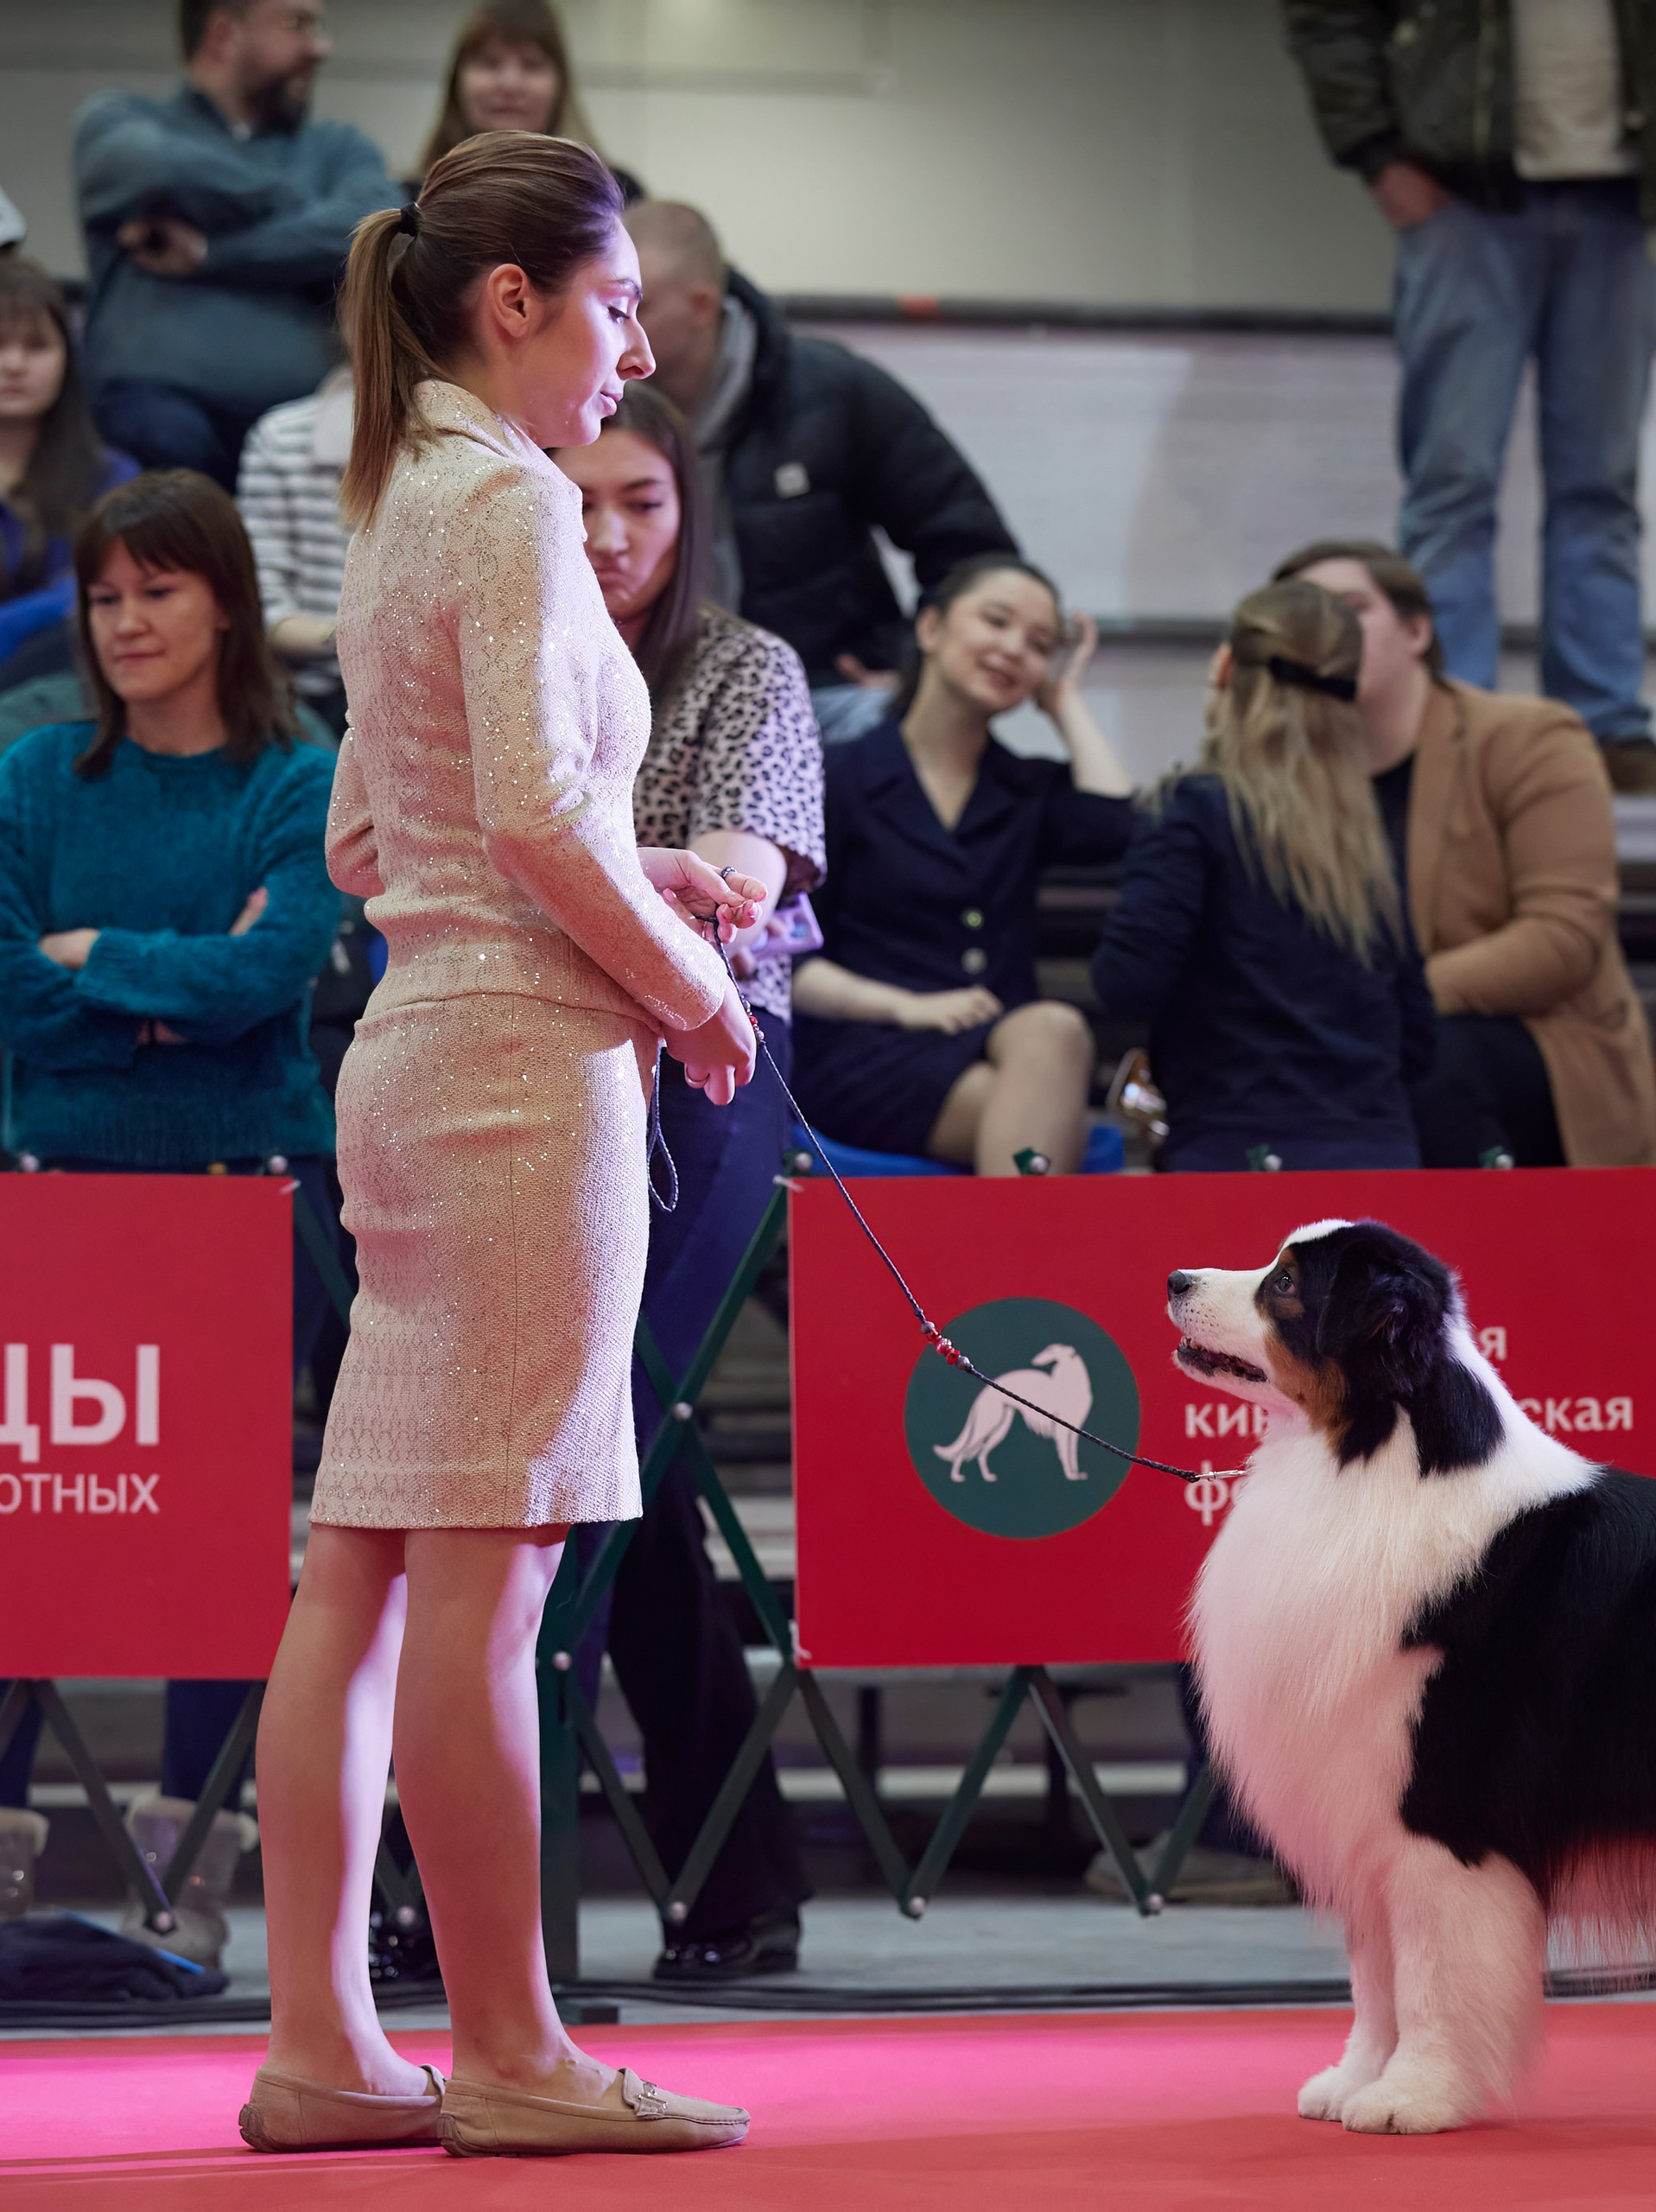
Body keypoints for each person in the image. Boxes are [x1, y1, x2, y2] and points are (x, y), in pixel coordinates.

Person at [244, 131, 764, 2158]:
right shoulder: (517, 499)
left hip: (414, 1047)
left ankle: (323, 2043)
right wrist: (691, 982)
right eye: (617, 303)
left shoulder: (405, 496)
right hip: (517, 1075)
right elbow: (535, 818)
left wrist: (627, 877)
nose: (639, 346)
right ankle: (517, 2051)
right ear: (513, 300)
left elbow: (369, 837)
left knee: (361, 1570)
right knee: (483, 1577)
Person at [0, 468, 344, 1963]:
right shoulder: (32, 775)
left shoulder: (298, 780)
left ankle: (188, 1860)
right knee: (31, 1514)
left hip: (246, 1194)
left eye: (158, 591)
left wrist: (94, 962)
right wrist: (164, 988)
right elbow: (13, 988)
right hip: (60, 1192)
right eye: (105, 597)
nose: (125, 621)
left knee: (223, 1532)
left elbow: (270, 983)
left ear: (227, 603)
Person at [551, 382, 822, 1982]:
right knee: (586, 1455)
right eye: (578, 500)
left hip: (711, 1070)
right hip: (532, 1063)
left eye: (641, 501)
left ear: (688, 509)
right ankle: (733, 1877)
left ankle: (506, 1892)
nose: (607, 534)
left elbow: (743, 878)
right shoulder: (510, 650)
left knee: (613, 1428)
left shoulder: (743, 665)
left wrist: (603, 891)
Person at [1282, 1, 1656, 799]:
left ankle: (1606, 731)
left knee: (1602, 488)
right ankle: (1449, 733)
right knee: (1454, 485)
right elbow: (1326, 14)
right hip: (1462, 197)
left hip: (1621, 194)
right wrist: (1376, 155)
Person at [1279, 537, 1656, 1168]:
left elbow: (1563, 938)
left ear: (1416, 630)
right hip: (1358, 1047)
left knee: (1430, 1056)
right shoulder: (1282, 782)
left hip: (1534, 1044)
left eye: (1351, 609)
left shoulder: (1531, 738)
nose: (1329, 634)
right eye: (1305, 619)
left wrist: (1383, 1003)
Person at [626, 200, 1020, 744]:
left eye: (637, 306)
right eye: (607, 302)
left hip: (824, 698)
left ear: (701, 305)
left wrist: (920, 670)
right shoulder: (585, 404)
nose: (616, 325)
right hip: (644, 702)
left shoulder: (831, 392)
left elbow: (970, 545)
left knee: (880, 731)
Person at [792, 556, 1133, 1173]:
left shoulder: (1024, 786)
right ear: (931, 627)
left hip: (1001, 1040)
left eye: (1040, 645)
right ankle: (1027, 1239)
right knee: (1040, 1127)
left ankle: (1012, 1240)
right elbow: (787, 955)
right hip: (869, 1045)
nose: (1014, 649)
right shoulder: (837, 775)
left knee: (1055, 1030)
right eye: (996, 621)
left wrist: (1065, 703)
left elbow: (1114, 826)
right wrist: (903, 1006)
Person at [1093, 579, 1433, 1172]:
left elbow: (1126, 983)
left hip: (1238, 1156)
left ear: (1225, 668)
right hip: (1380, 1158)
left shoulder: (1193, 809)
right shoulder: (1363, 838)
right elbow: (1420, 1040)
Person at [73, 0, 397, 489]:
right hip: (158, 433)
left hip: (305, 445)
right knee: (160, 438)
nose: (321, 47)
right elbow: (158, 166)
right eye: (298, 24)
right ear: (223, 34)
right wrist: (302, 207)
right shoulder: (120, 122)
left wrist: (212, 253)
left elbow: (371, 224)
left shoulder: (338, 147)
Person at [0, 258, 138, 690]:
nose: (14, 364)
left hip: (67, 682)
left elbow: (102, 591)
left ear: (68, 356)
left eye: (37, 346)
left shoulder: (111, 476)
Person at [412, 0, 644, 203]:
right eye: (489, 63)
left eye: (532, 65)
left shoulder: (613, 196)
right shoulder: (411, 204)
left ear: (561, 85)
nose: (509, 84)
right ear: (457, 81)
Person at [235, 365, 352, 720]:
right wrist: (353, 636)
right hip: (314, 694)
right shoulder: (280, 438)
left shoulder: (468, 440)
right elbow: (262, 608)